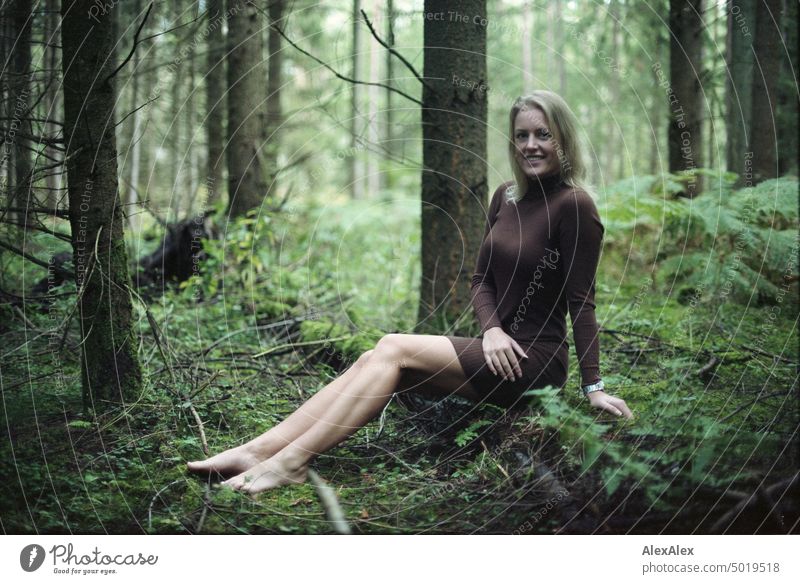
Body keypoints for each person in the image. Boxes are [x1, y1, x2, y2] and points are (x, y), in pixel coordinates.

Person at [187, 90, 633, 495]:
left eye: (543, 134)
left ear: (563, 141)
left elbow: (582, 301)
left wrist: (593, 386)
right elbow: (482, 280)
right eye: (522, 135)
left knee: (392, 347)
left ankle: (292, 462)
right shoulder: (506, 197)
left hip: (534, 361)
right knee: (376, 361)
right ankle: (258, 450)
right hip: (494, 350)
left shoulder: (575, 205)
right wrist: (493, 330)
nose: (531, 145)